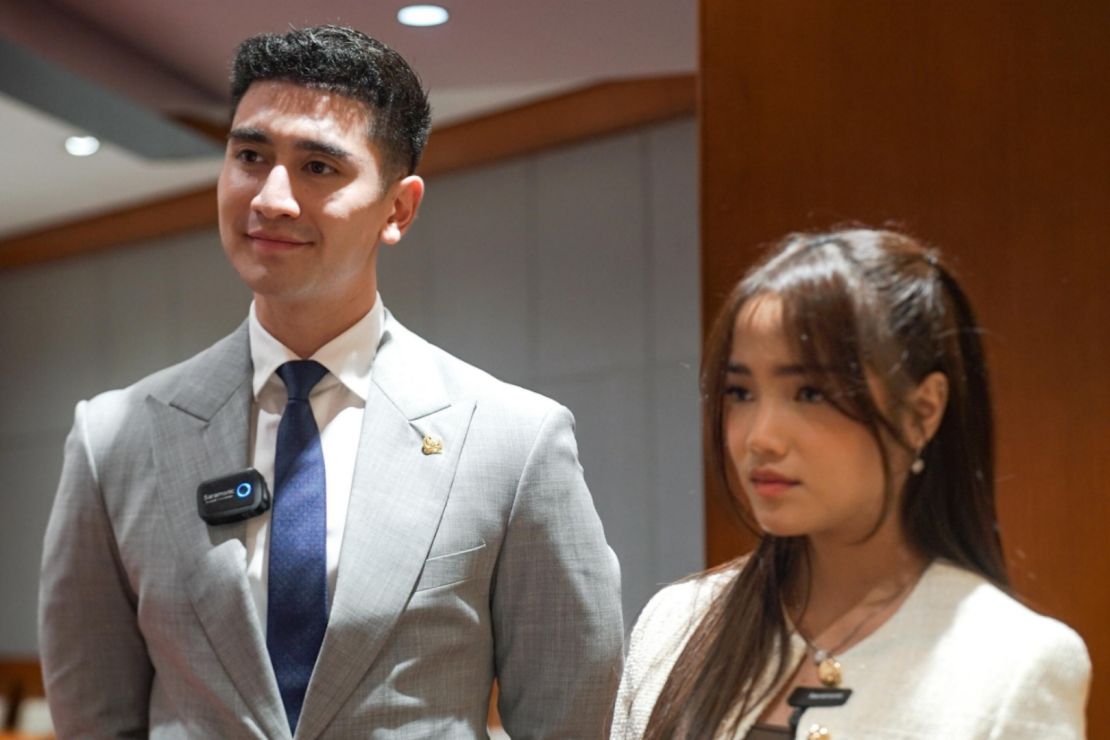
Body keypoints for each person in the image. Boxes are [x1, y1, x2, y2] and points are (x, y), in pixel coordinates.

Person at [39, 25, 623, 739]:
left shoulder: (512, 440)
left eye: (318, 166)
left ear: (398, 210)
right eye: (250, 156)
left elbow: (571, 714)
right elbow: (93, 715)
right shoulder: (115, 439)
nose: (272, 198)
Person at [612, 228, 1090, 739]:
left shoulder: (1013, 662)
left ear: (923, 411)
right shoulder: (676, 624)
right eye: (740, 392)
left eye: (811, 393)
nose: (760, 437)